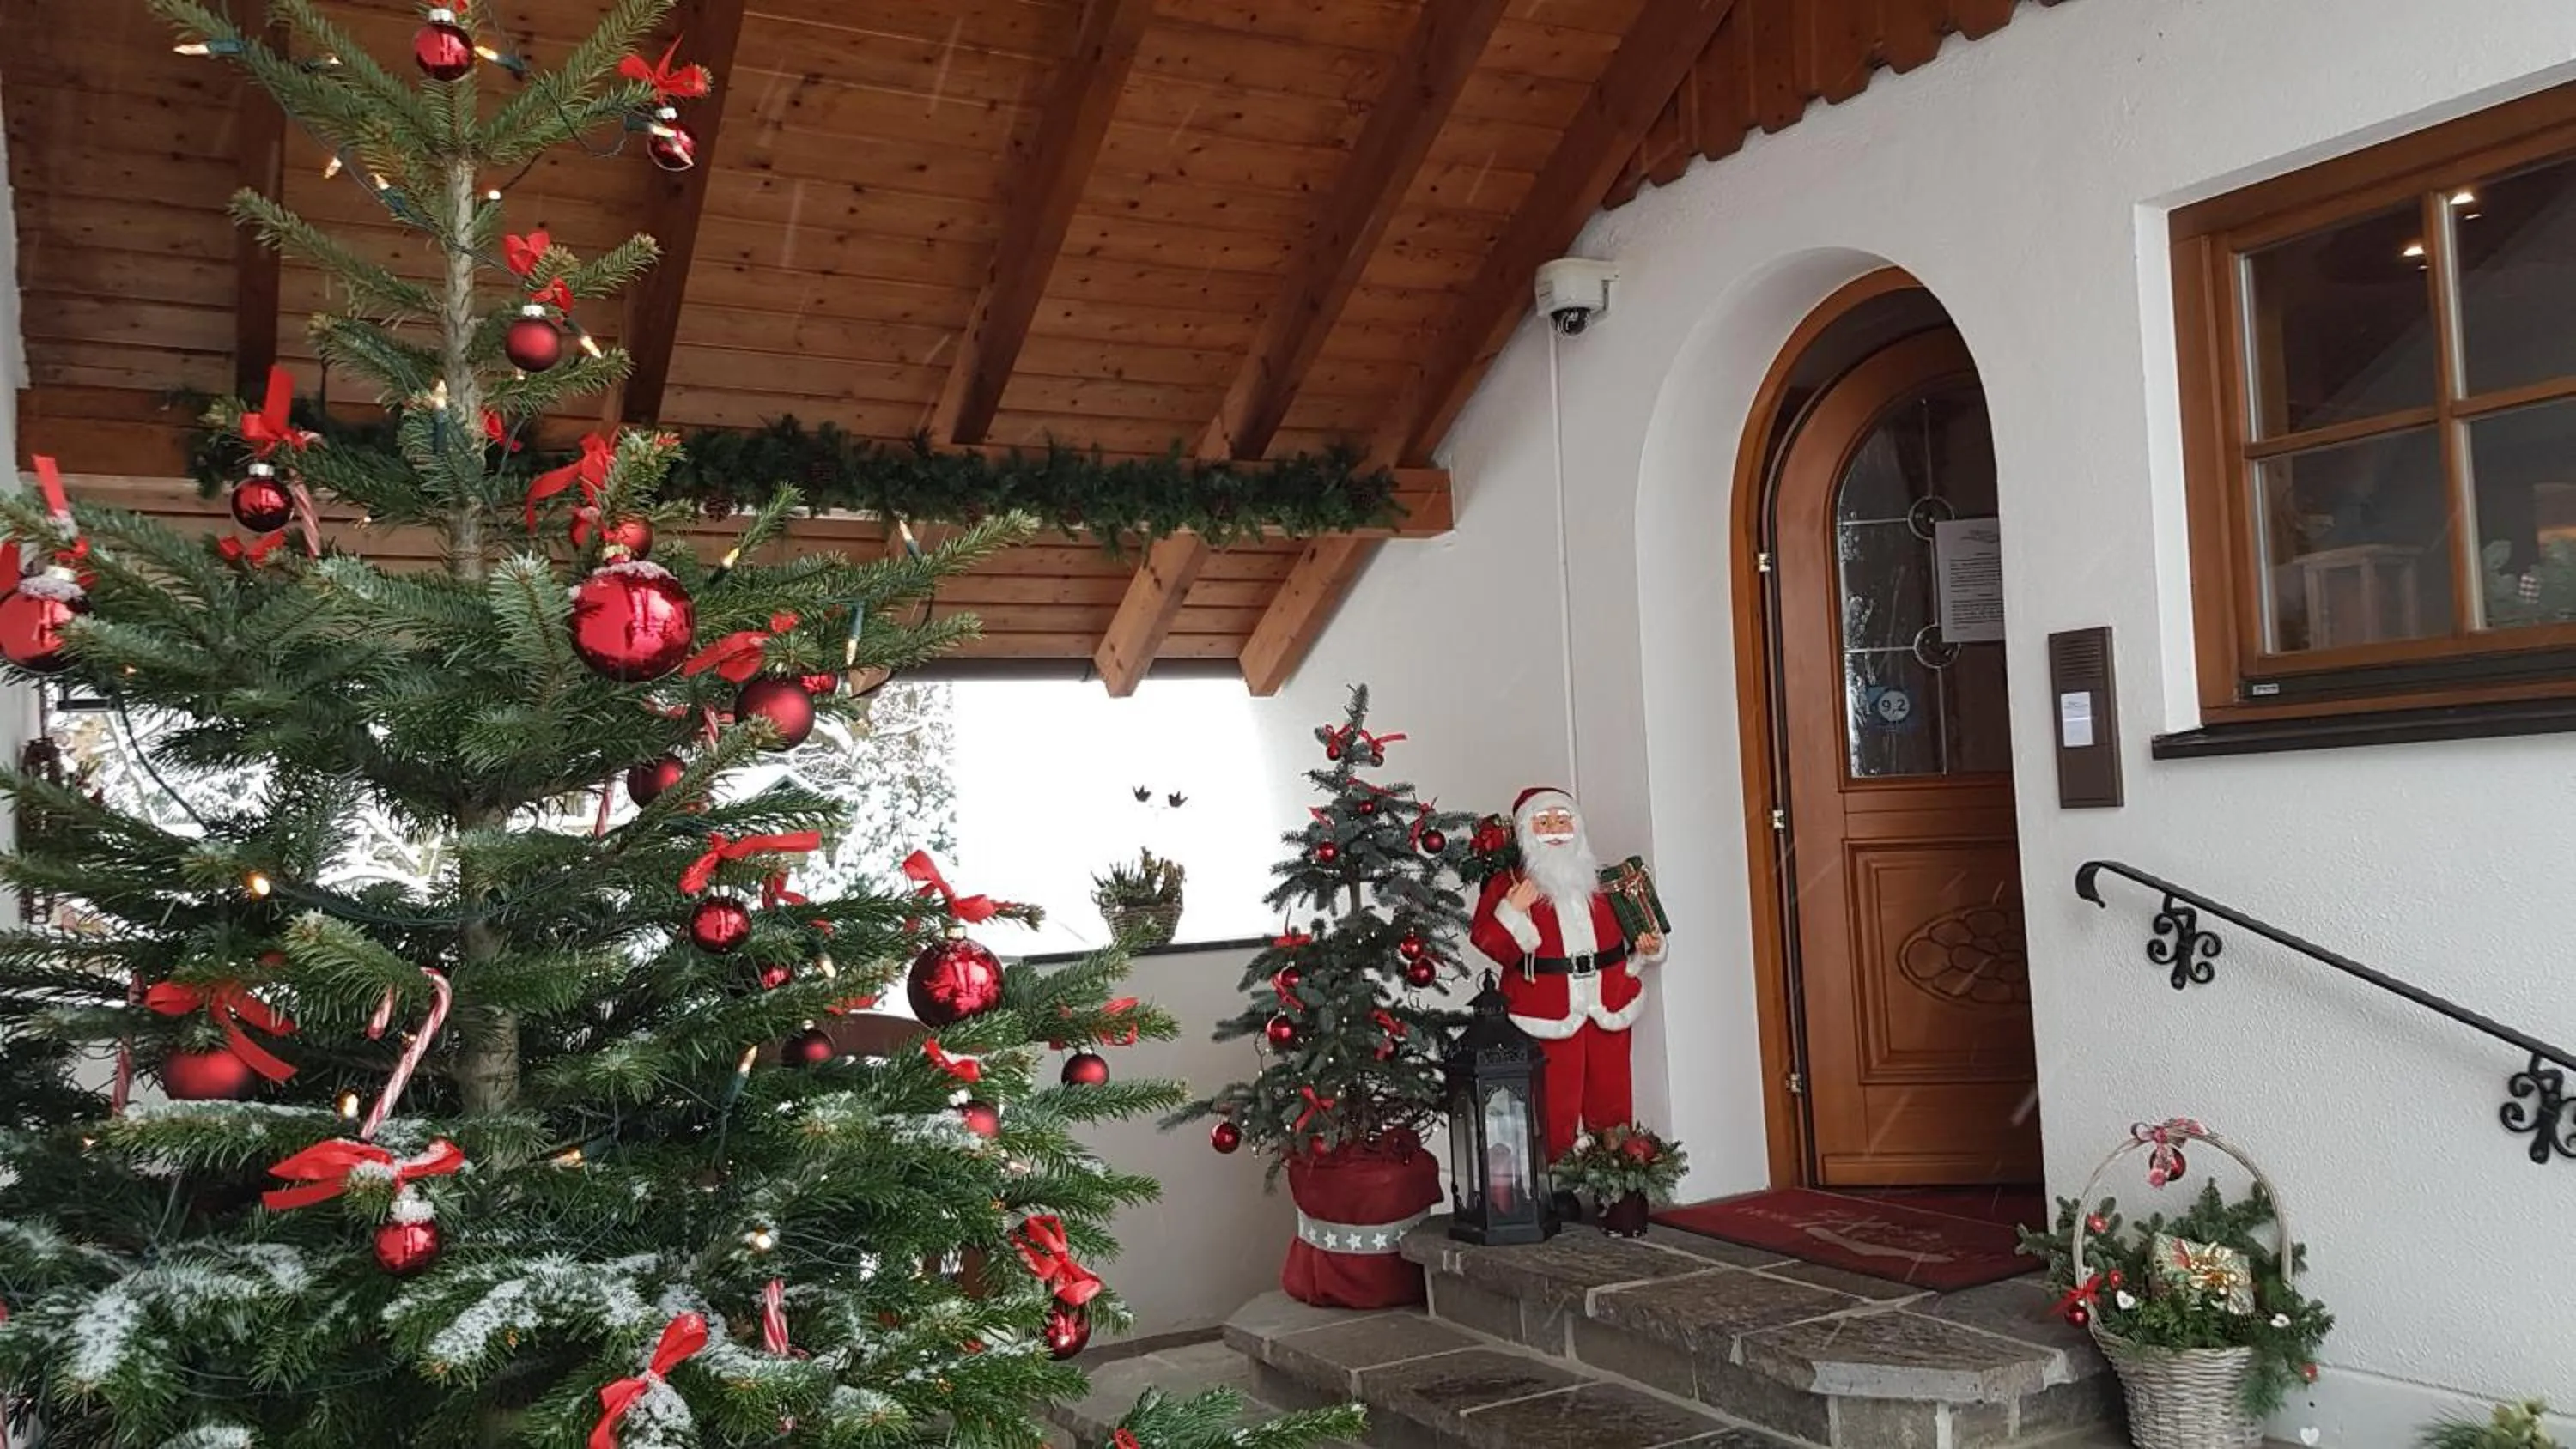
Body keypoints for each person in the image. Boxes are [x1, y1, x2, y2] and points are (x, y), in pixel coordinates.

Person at [1468, 787, 1666, 1166]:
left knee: (1612, 1093)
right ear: (1528, 831)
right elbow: (1491, 944)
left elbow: (1642, 935)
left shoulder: (1606, 883)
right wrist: (1512, 911)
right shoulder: (1509, 885)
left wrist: (1645, 948)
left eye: (1562, 820)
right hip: (1547, 1008)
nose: (1556, 830)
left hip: (1607, 1002)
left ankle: (1615, 1174)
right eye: (1544, 823)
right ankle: (1557, 1179)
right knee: (1554, 1098)